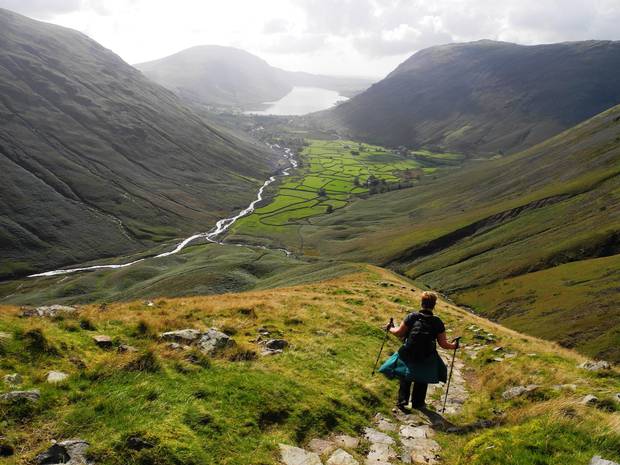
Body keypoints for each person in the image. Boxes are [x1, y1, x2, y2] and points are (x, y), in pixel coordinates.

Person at [386, 291, 459, 410]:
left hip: (408, 351)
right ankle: (418, 403)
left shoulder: (412, 317)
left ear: (422, 303)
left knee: (405, 374)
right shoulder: (437, 322)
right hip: (427, 354)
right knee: (422, 376)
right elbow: (443, 344)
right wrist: (454, 345)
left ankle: (402, 400)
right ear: (434, 305)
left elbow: (399, 333)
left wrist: (390, 328)